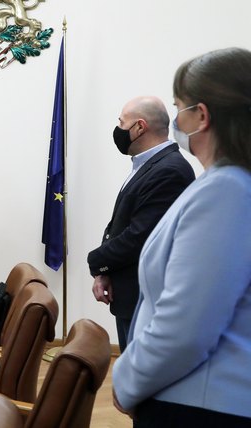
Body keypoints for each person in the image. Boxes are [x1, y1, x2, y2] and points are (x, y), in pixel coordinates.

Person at [113, 47, 251, 426]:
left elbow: (185, 328)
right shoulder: (225, 182)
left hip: (199, 404)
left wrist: (127, 381)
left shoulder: (227, 190)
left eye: (178, 107)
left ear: (202, 116)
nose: (175, 119)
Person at [87, 96, 194, 351]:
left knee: (139, 372)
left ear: (139, 127)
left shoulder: (169, 170)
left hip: (146, 298)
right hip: (128, 292)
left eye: (122, 122)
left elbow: (140, 236)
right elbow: (120, 223)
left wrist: (96, 260)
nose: (118, 129)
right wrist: (105, 271)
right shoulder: (147, 165)